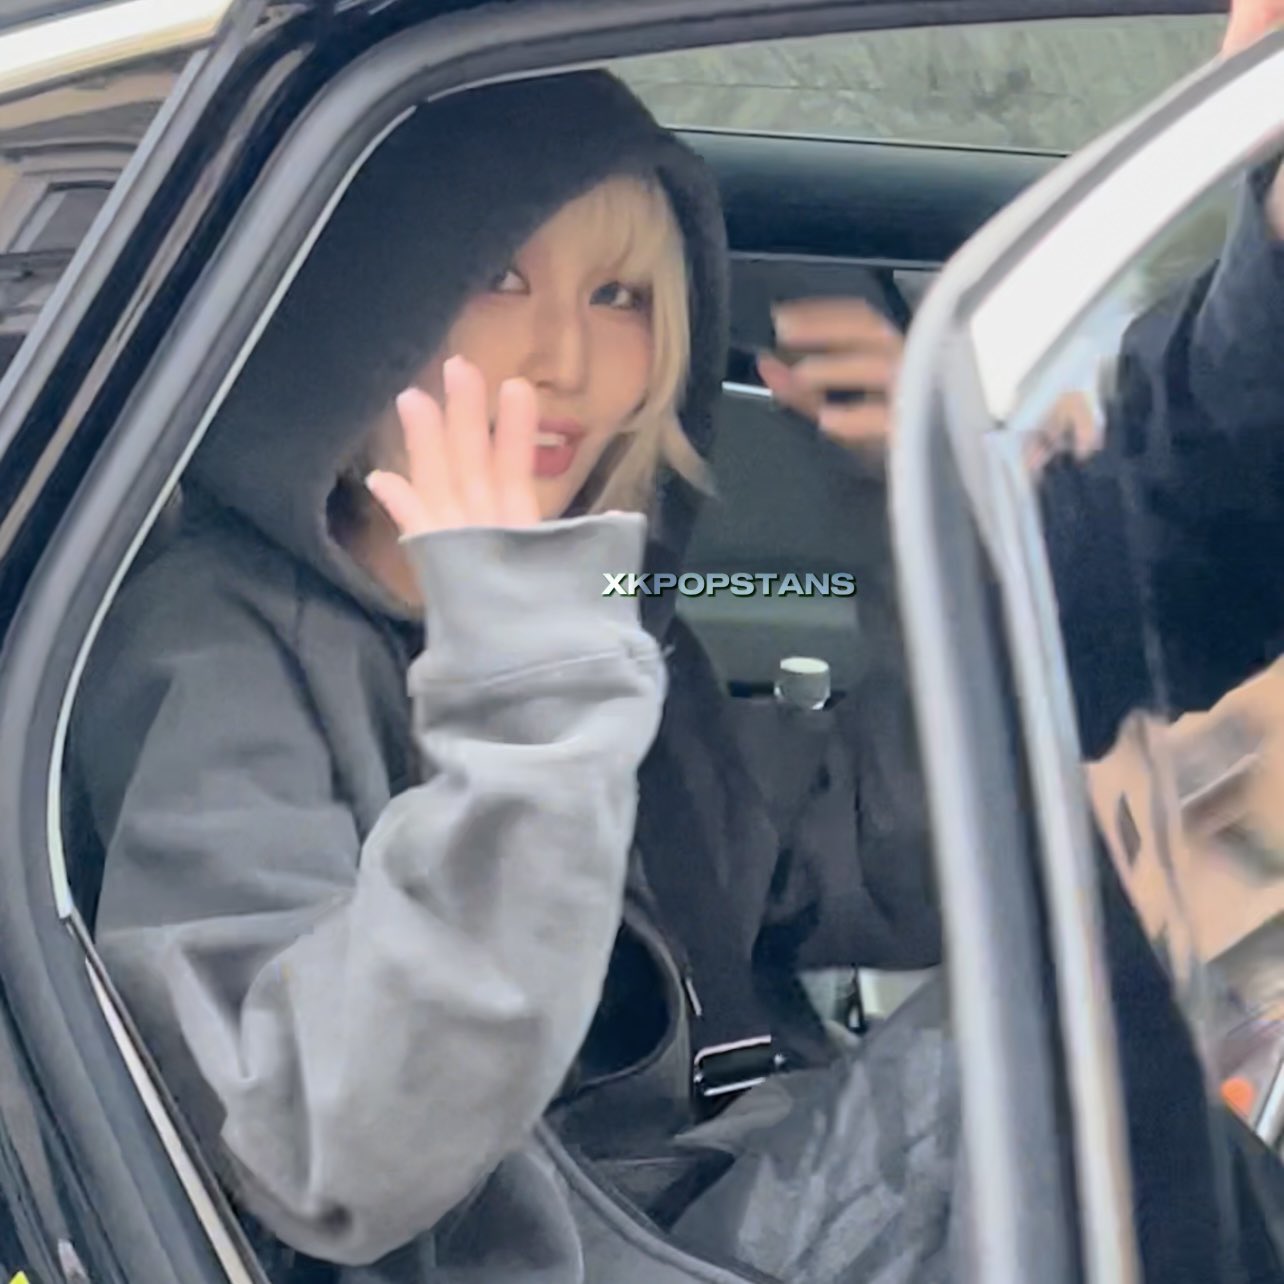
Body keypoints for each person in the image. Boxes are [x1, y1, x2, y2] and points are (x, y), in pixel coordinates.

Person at [63, 8, 1284, 1284]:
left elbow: (890, 850)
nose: (567, 358)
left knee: (1084, 1010)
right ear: (367, 302)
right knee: (1044, 1063)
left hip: (704, 1200)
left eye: (621, 296)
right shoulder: (213, 648)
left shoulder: (602, 625)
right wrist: (527, 688)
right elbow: (328, 1147)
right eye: (499, 278)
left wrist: (937, 533)